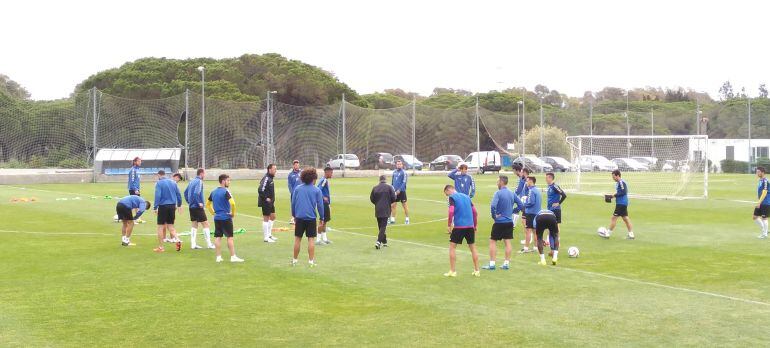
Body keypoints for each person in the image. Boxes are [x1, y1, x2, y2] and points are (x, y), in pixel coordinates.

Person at [483, 175, 523, 271]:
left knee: (493, 241)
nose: (497, 183)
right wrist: (513, 210)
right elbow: (521, 205)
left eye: (497, 181)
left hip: (499, 222)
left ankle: (492, 264)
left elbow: (493, 206)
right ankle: (506, 264)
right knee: (507, 242)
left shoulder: (498, 193)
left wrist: (494, 216)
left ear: (501, 182)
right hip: (509, 222)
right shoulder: (512, 193)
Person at [443, 185, 480, 277]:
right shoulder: (467, 197)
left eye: (446, 194)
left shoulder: (452, 197)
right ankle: (477, 270)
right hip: (470, 226)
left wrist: (449, 225)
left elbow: (451, 211)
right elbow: (475, 212)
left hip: (459, 226)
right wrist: (474, 225)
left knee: (452, 247)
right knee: (473, 248)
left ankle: (452, 271)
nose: (447, 196)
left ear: (449, 190)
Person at [291, 167, 325, 267]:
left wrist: (294, 215)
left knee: (297, 239)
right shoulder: (317, 190)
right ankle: (310, 261)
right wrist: (322, 217)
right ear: (313, 179)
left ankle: (294, 260)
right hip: (311, 218)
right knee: (311, 239)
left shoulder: (297, 189)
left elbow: (293, 203)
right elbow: (320, 205)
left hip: (300, 217)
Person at [206, 174, 244, 263]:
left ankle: (218, 257)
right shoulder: (226, 191)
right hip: (226, 217)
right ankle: (233, 256)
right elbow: (233, 203)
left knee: (218, 237)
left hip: (217, 218)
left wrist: (213, 213)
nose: (229, 182)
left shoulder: (213, 192)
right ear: (223, 181)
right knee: (229, 237)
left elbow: (207, 204)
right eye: (228, 180)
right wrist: (233, 213)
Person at [153, 170, 183, 252]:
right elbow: (178, 194)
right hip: (172, 206)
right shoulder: (173, 182)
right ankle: (177, 239)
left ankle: (161, 247)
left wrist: (155, 207)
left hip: (163, 206)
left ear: (159, 175)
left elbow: (158, 195)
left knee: (160, 227)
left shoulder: (159, 183)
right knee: (171, 226)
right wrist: (179, 204)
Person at [184, 168, 214, 250]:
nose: (205, 175)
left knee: (194, 224)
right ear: (201, 173)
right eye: (204, 173)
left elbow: (185, 192)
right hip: (197, 207)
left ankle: (193, 244)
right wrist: (198, 203)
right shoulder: (199, 181)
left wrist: (189, 201)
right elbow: (196, 193)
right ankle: (209, 244)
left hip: (191, 207)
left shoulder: (192, 181)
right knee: (206, 224)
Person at [604, 170, 635, 240]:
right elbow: (620, 192)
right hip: (622, 203)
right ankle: (631, 234)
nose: (613, 178)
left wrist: (613, 196)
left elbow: (623, 192)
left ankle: (607, 233)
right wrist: (612, 196)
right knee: (625, 218)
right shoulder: (618, 183)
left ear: (618, 175)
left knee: (614, 218)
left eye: (614, 177)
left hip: (621, 203)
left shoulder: (621, 182)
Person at [371, 175, 397, 249]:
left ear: (379, 180)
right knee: (383, 227)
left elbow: (372, 199)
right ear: (385, 180)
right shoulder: (389, 187)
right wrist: (388, 202)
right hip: (386, 209)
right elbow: (394, 198)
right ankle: (378, 242)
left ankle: (384, 242)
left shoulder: (375, 188)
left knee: (380, 226)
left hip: (378, 209)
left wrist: (377, 203)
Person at [520, 175, 542, 253]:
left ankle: (526, 248)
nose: (526, 182)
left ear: (531, 181)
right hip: (537, 213)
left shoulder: (531, 190)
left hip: (531, 213)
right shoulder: (537, 190)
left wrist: (524, 204)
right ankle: (535, 247)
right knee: (535, 231)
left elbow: (531, 202)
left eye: (527, 181)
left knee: (528, 230)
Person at [545, 172, 567, 247]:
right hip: (549, 209)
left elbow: (564, 195)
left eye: (547, 177)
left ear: (551, 178)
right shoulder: (549, 186)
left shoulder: (555, 186)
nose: (546, 179)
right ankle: (548, 240)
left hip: (555, 210)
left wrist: (559, 203)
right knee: (549, 225)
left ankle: (558, 241)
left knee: (556, 226)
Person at [258, 164, 279, 243]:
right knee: (266, 218)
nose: (275, 170)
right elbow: (260, 189)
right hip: (265, 202)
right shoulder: (266, 178)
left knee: (273, 216)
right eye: (274, 169)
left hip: (271, 202)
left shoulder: (270, 178)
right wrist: (265, 198)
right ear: (270, 169)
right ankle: (266, 238)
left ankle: (269, 235)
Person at [316, 166, 333, 245]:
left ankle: (325, 239)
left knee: (325, 221)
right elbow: (318, 189)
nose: (332, 174)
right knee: (322, 221)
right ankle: (318, 240)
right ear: (327, 172)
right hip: (323, 204)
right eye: (331, 173)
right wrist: (323, 197)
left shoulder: (325, 180)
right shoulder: (324, 180)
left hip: (325, 203)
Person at [389, 159, 410, 225]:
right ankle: (392, 219)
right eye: (398, 164)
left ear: (402, 165)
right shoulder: (394, 172)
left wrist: (399, 190)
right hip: (394, 192)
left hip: (402, 192)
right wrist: (391, 189)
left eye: (400, 164)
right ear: (396, 165)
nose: (399, 165)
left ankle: (407, 219)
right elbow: (392, 182)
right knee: (393, 205)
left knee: (405, 206)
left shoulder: (404, 172)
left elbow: (404, 182)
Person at [754, 166, 770, 239]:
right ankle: (764, 230)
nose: (757, 173)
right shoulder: (760, 180)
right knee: (755, 217)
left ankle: (765, 234)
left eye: (758, 172)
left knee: (764, 218)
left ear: (762, 172)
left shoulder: (765, 181)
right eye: (757, 172)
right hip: (760, 202)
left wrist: (759, 202)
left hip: (765, 202)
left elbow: (765, 192)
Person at [287, 160, 301, 225]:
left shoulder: (302, 173)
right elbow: (289, 184)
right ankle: (293, 218)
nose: (297, 166)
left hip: (302, 192)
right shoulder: (290, 175)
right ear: (293, 166)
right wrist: (292, 192)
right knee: (294, 205)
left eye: (298, 165)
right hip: (294, 193)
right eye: (295, 165)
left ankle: (299, 217)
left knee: (301, 204)